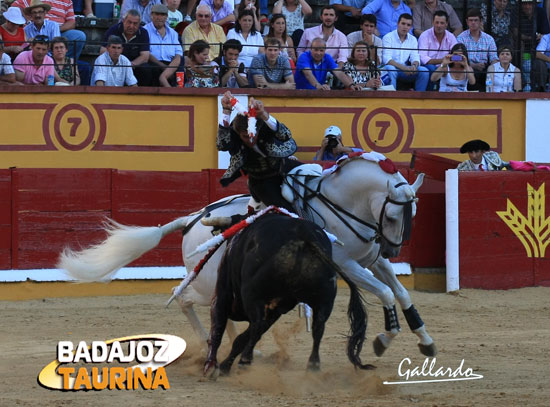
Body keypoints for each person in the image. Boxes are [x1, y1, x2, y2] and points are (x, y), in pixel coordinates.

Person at [217, 91, 301, 211]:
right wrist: (226, 110)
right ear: (239, 134)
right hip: (262, 181)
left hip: (285, 167)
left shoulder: (264, 129)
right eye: (245, 136)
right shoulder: (235, 139)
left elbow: (285, 134)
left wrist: (263, 114)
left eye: (253, 134)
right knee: (286, 211)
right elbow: (221, 144)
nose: (250, 139)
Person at [14, 0, 87, 60]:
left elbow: (71, 22)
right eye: (34, 13)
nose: (38, 15)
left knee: (79, 36)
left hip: (58, 31)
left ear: (45, 12)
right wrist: (26, 18)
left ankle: (65, 63)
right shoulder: (27, 28)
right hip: (34, 33)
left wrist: (52, 29)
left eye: (40, 12)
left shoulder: (66, 1)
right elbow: (13, 8)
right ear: (31, 14)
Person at [102, 9, 151, 86]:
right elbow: (103, 51)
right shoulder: (113, 30)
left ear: (139, 24)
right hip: (115, 64)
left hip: (134, 66)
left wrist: (130, 65)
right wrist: (118, 64)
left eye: (135, 23)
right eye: (129, 22)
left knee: (146, 68)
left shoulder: (143, 32)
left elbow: (145, 56)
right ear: (123, 20)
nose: (131, 26)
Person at [381, 13, 429, 91]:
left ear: (411, 27)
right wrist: (404, 68)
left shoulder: (413, 39)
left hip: (406, 69)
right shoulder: (388, 37)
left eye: (408, 25)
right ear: (398, 24)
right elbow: (387, 59)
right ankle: (391, 98)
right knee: (390, 68)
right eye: (403, 23)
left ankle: (419, 98)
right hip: (394, 68)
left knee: (424, 71)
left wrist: (414, 66)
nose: (405, 27)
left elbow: (415, 56)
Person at [457, 8, 498, 92]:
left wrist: (492, 67)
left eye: (476, 20)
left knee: (492, 71)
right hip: (467, 68)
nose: (473, 23)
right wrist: (472, 65)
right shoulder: (461, 38)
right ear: (467, 22)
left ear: (480, 21)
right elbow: (457, 58)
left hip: (485, 69)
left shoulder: (489, 39)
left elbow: (494, 58)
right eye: (471, 20)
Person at [295, 37, 360, 90]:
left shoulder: (327, 57)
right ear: (311, 49)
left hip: (319, 93)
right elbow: (308, 74)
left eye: (321, 50)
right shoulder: (304, 56)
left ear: (325, 50)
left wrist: (351, 85)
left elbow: (338, 73)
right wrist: (318, 85)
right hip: (301, 93)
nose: (318, 53)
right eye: (316, 50)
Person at [144, 4, 183, 87]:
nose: (160, 17)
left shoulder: (173, 33)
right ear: (151, 15)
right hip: (153, 63)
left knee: (181, 64)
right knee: (149, 69)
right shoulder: (145, 30)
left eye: (162, 15)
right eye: (157, 14)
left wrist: (169, 69)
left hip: (170, 64)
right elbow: (146, 53)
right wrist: (162, 66)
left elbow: (178, 54)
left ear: (166, 17)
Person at [417, 10, 457, 90]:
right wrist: (443, 60)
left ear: (446, 24)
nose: (439, 25)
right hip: (429, 66)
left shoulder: (451, 36)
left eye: (442, 23)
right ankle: (430, 95)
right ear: (433, 22)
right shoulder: (425, 35)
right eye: (437, 22)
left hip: (446, 66)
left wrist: (445, 63)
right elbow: (422, 58)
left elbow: (457, 56)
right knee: (431, 68)